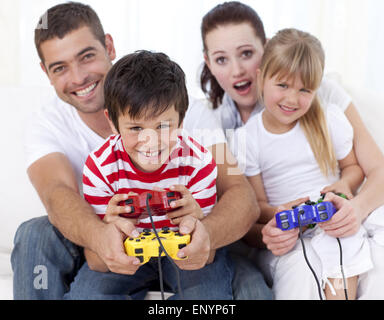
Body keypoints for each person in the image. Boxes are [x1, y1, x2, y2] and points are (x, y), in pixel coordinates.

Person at [11, 2, 265, 299]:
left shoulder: (189, 113)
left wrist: (205, 234)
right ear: (45, 72)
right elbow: (57, 195)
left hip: (187, 242)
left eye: (87, 56)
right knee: (35, 233)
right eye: (60, 67)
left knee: (251, 290)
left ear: (108, 45)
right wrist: (101, 238)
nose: (79, 77)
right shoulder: (47, 126)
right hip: (101, 238)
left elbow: (240, 193)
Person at [199, 1, 384, 299]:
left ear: (264, 52)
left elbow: (364, 169)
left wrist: (347, 195)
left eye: (246, 53)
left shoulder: (324, 108)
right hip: (278, 235)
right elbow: (247, 206)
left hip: (333, 217)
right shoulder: (220, 127)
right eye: (222, 59)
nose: (237, 70)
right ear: (208, 62)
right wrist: (281, 220)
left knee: (351, 245)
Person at [62, 50, 234, 299]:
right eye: (135, 127)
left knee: (208, 297)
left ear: (182, 120)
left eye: (163, 126)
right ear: (112, 122)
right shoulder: (100, 167)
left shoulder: (198, 162)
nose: (150, 142)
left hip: (182, 254)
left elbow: (206, 255)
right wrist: (109, 231)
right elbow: (96, 261)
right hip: (128, 253)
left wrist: (196, 224)